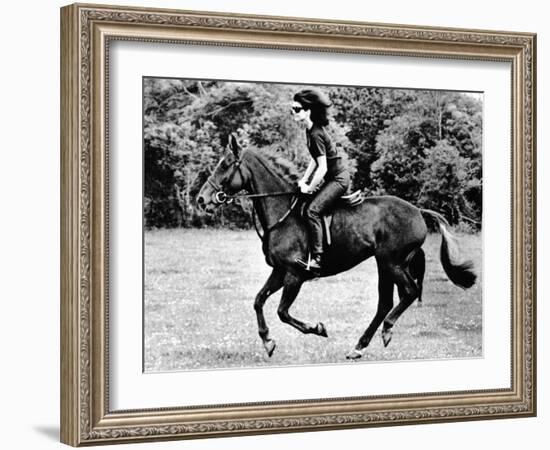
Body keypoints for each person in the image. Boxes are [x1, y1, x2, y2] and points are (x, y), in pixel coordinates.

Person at [292, 89, 350, 274]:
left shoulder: (316, 133)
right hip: (332, 178)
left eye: (297, 109)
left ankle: (317, 258)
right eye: (292, 109)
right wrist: (304, 179)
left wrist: (309, 187)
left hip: (338, 179)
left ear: (308, 111)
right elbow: (314, 160)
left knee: (312, 211)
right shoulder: (310, 131)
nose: (294, 112)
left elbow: (323, 168)